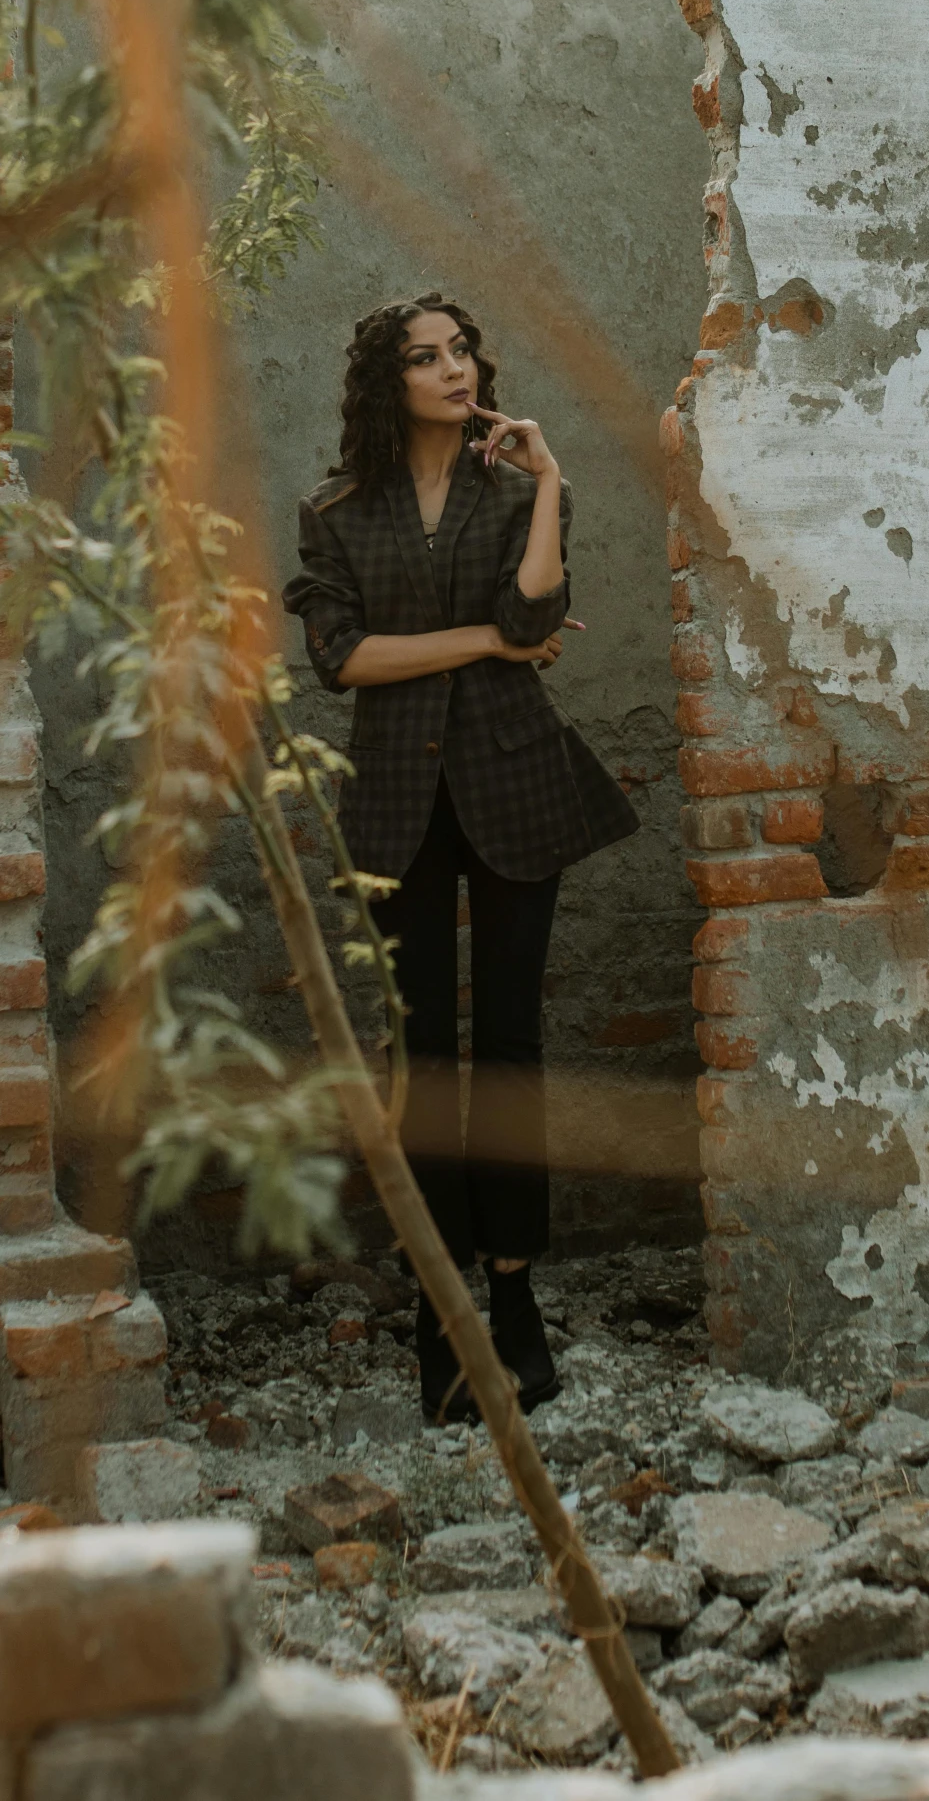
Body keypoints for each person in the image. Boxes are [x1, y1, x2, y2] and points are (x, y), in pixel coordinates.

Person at [281, 292, 640, 1422]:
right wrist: (484, 638)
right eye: (424, 357)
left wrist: (550, 483)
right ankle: (439, 1317)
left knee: (513, 1048)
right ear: (386, 383)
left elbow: (536, 617)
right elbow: (341, 657)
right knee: (424, 1061)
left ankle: (516, 1301)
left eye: (461, 350)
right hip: (397, 807)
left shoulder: (516, 492)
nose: (452, 368)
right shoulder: (337, 512)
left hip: (515, 787)